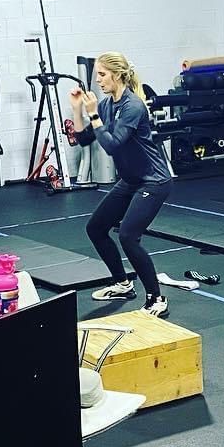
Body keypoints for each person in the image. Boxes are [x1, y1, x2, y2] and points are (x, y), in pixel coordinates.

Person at [71, 52, 174, 318]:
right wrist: (77, 110)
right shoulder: (107, 105)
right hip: (130, 180)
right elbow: (83, 141)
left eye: (102, 75)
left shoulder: (133, 106)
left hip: (153, 180)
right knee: (96, 228)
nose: (99, 81)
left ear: (117, 75)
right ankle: (122, 283)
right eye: (97, 76)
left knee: (128, 236)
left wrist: (93, 114)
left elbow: (112, 144)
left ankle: (156, 298)